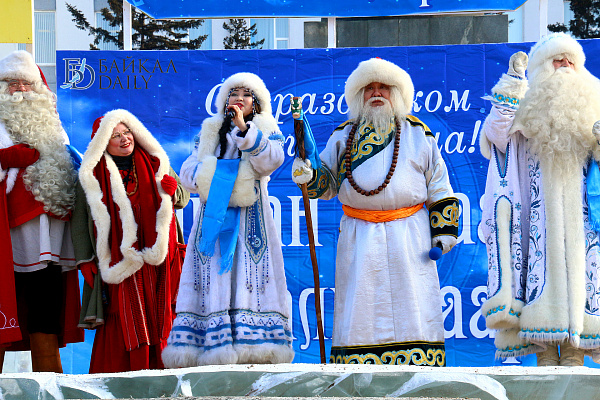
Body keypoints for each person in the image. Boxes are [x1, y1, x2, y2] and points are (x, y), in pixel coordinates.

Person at [292, 58, 459, 366]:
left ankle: (418, 379)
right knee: (361, 311)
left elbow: (439, 186)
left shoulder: (419, 134)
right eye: (370, 88)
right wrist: (309, 175)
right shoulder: (343, 136)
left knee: (413, 310)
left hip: (410, 237)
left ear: (396, 93)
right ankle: (359, 382)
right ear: (360, 95)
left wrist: (442, 235)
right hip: (360, 236)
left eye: (384, 87)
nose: (377, 93)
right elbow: (325, 184)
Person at [480, 33, 600, 366]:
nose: (565, 66)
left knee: (585, 279)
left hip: (584, 218)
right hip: (537, 218)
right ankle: (545, 351)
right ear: (543, 67)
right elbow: (497, 135)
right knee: (539, 276)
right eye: (557, 61)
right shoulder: (527, 102)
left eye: (570, 61)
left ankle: (576, 353)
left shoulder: (594, 100)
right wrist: (511, 86)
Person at [162, 72, 294, 367]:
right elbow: (188, 173)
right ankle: (211, 345)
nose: (239, 98)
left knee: (249, 274)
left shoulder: (265, 128)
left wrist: (244, 130)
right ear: (225, 101)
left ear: (256, 102)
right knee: (213, 274)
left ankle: (255, 346)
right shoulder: (209, 131)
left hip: (251, 219)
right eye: (234, 93)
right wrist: (216, 177)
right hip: (213, 216)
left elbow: (271, 161)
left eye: (246, 94)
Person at [72, 109, 189, 373]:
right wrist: (84, 260)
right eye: (116, 136)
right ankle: (124, 375)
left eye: (127, 132)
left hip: (158, 258)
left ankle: (165, 373)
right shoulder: (91, 175)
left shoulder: (156, 161)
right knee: (125, 315)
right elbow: (79, 219)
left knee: (161, 314)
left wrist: (173, 191)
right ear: (103, 142)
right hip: (119, 260)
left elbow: (182, 199)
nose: (125, 139)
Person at [0, 50, 83, 373]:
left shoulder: (52, 125)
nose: (20, 90)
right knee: (6, 299)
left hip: (53, 229)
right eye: (12, 83)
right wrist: (6, 158)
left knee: (46, 304)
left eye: (26, 83)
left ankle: (50, 379)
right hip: (12, 230)